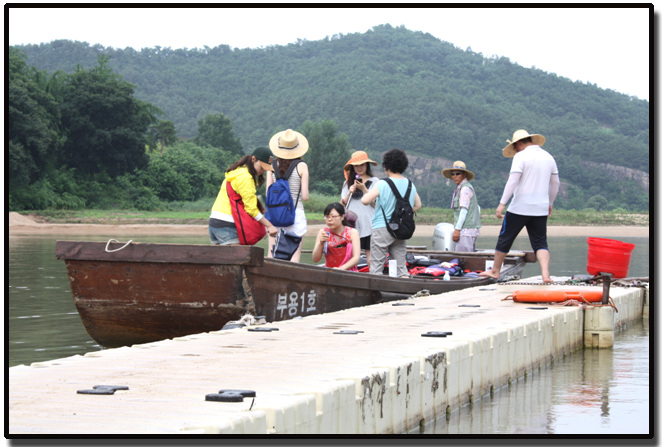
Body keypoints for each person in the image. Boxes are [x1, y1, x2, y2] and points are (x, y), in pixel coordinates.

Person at [479, 129, 560, 283]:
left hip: (519, 207)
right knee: (540, 242)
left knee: (505, 238)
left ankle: (495, 271)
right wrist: (550, 203)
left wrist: (502, 203)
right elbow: (555, 183)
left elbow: (513, 181)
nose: (515, 150)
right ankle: (545, 274)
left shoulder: (520, 156)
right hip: (540, 208)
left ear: (519, 143)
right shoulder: (548, 157)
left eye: (514, 147)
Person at [361, 148, 422, 277]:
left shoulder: (383, 183)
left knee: (376, 267)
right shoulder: (410, 184)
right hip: (401, 230)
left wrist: (364, 191)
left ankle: (375, 294)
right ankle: (406, 290)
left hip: (382, 228)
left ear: (386, 166)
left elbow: (365, 200)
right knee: (401, 268)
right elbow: (418, 205)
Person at [208, 146, 278, 245]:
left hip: (214, 222)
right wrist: (269, 225)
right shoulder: (246, 177)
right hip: (227, 224)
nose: (263, 171)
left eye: (265, 169)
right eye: (262, 167)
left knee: (220, 259)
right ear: (254, 159)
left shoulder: (235, 172)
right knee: (237, 260)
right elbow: (251, 208)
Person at [267, 129, 310, 262]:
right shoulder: (302, 166)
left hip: (275, 215)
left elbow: (268, 192)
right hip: (295, 214)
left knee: (272, 254)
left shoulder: (272, 165)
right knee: (294, 256)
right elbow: (305, 197)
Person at [340, 150, 380, 266]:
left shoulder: (375, 182)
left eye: (362, 165)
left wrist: (364, 189)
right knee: (350, 257)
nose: (359, 168)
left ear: (367, 165)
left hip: (369, 224)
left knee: (370, 258)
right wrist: (349, 192)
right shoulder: (347, 183)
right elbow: (342, 204)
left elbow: (376, 204)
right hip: (352, 225)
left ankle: (373, 278)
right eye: (356, 166)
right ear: (353, 167)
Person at [441, 161, 481, 252]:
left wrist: (457, 230)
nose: (455, 176)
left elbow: (463, 210)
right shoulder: (462, 188)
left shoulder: (465, 189)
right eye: (453, 174)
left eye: (458, 173)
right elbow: (477, 208)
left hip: (466, 231)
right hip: (469, 230)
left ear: (464, 175)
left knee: (463, 259)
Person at [311, 203, 361, 270]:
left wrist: (341, 269)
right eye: (327, 216)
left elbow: (356, 258)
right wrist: (320, 244)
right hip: (329, 272)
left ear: (342, 217)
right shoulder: (323, 232)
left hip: (348, 272)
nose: (329, 219)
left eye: (333, 216)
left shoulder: (352, 232)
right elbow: (315, 259)